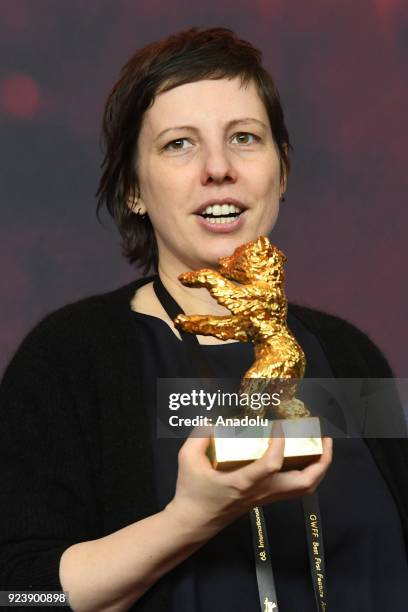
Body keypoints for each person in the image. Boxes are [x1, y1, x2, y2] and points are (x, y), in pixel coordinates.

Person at [0, 27, 407, 612]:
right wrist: (188, 520)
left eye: (245, 137)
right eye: (178, 145)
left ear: (282, 171)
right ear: (134, 188)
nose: (219, 168)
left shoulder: (350, 353)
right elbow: (20, 596)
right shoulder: (68, 358)